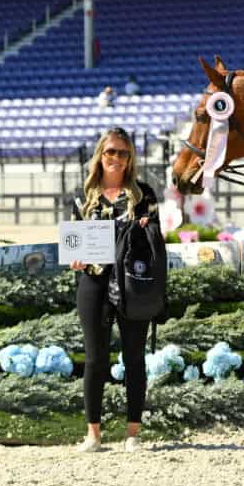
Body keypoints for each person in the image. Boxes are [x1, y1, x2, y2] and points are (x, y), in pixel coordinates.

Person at [70, 127, 161, 453]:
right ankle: (93, 434)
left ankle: (132, 433)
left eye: (123, 153)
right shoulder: (83, 195)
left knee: (134, 358)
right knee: (95, 359)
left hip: (131, 282)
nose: (117, 159)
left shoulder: (144, 195)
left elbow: (156, 243)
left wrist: (143, 233)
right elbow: (72, 239)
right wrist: (75, 257)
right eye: (111, 152)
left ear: (130, 158)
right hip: (92, 281)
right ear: (100, 154)